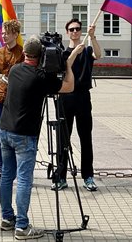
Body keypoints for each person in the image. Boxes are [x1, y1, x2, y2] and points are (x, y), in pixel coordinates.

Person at [0, 35, 84, 240]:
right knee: (24, 180)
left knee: (7, 176)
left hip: (4, 130)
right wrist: (69, 64)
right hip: (24, 135)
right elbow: (69, 86)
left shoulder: (15, 70)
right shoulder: (41, 77)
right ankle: (22, 226)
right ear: (41, 55)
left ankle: (7, 218)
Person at [53, 18, 102, 192]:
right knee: (62, 139)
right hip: (66, 97)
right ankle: (60, 176)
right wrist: (74, 52)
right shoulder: (63, 52)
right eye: (72, 30)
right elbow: (66, 67)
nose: (75, 32)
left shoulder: (87, 50)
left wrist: (93, 37)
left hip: (82, 97)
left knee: (85, 138)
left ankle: (88, 176)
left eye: (77, 29)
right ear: (67, 32)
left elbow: (99, 54)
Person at [0, 20, 24, 187]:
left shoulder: (22, 54)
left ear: (15, 34)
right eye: (3, 32)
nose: (3, 35)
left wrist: (6, 77)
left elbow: (19, 76)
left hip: (15, 99)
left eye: (7, 32)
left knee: (15, 135)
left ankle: (15, 171)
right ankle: (3, 172)